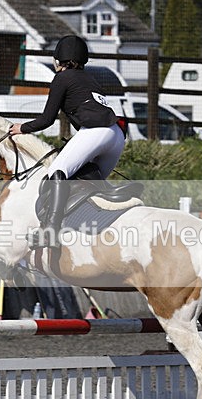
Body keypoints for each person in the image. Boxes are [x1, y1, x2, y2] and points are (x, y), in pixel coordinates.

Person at [9, 34, 126, 248]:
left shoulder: (62, 78)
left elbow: (46, 119)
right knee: (89, 183)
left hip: (95, 132)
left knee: (57, 171)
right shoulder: (91, 79)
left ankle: (50, 231)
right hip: (116, 135)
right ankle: (89, 230)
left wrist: (21, 128)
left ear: (57, 60)